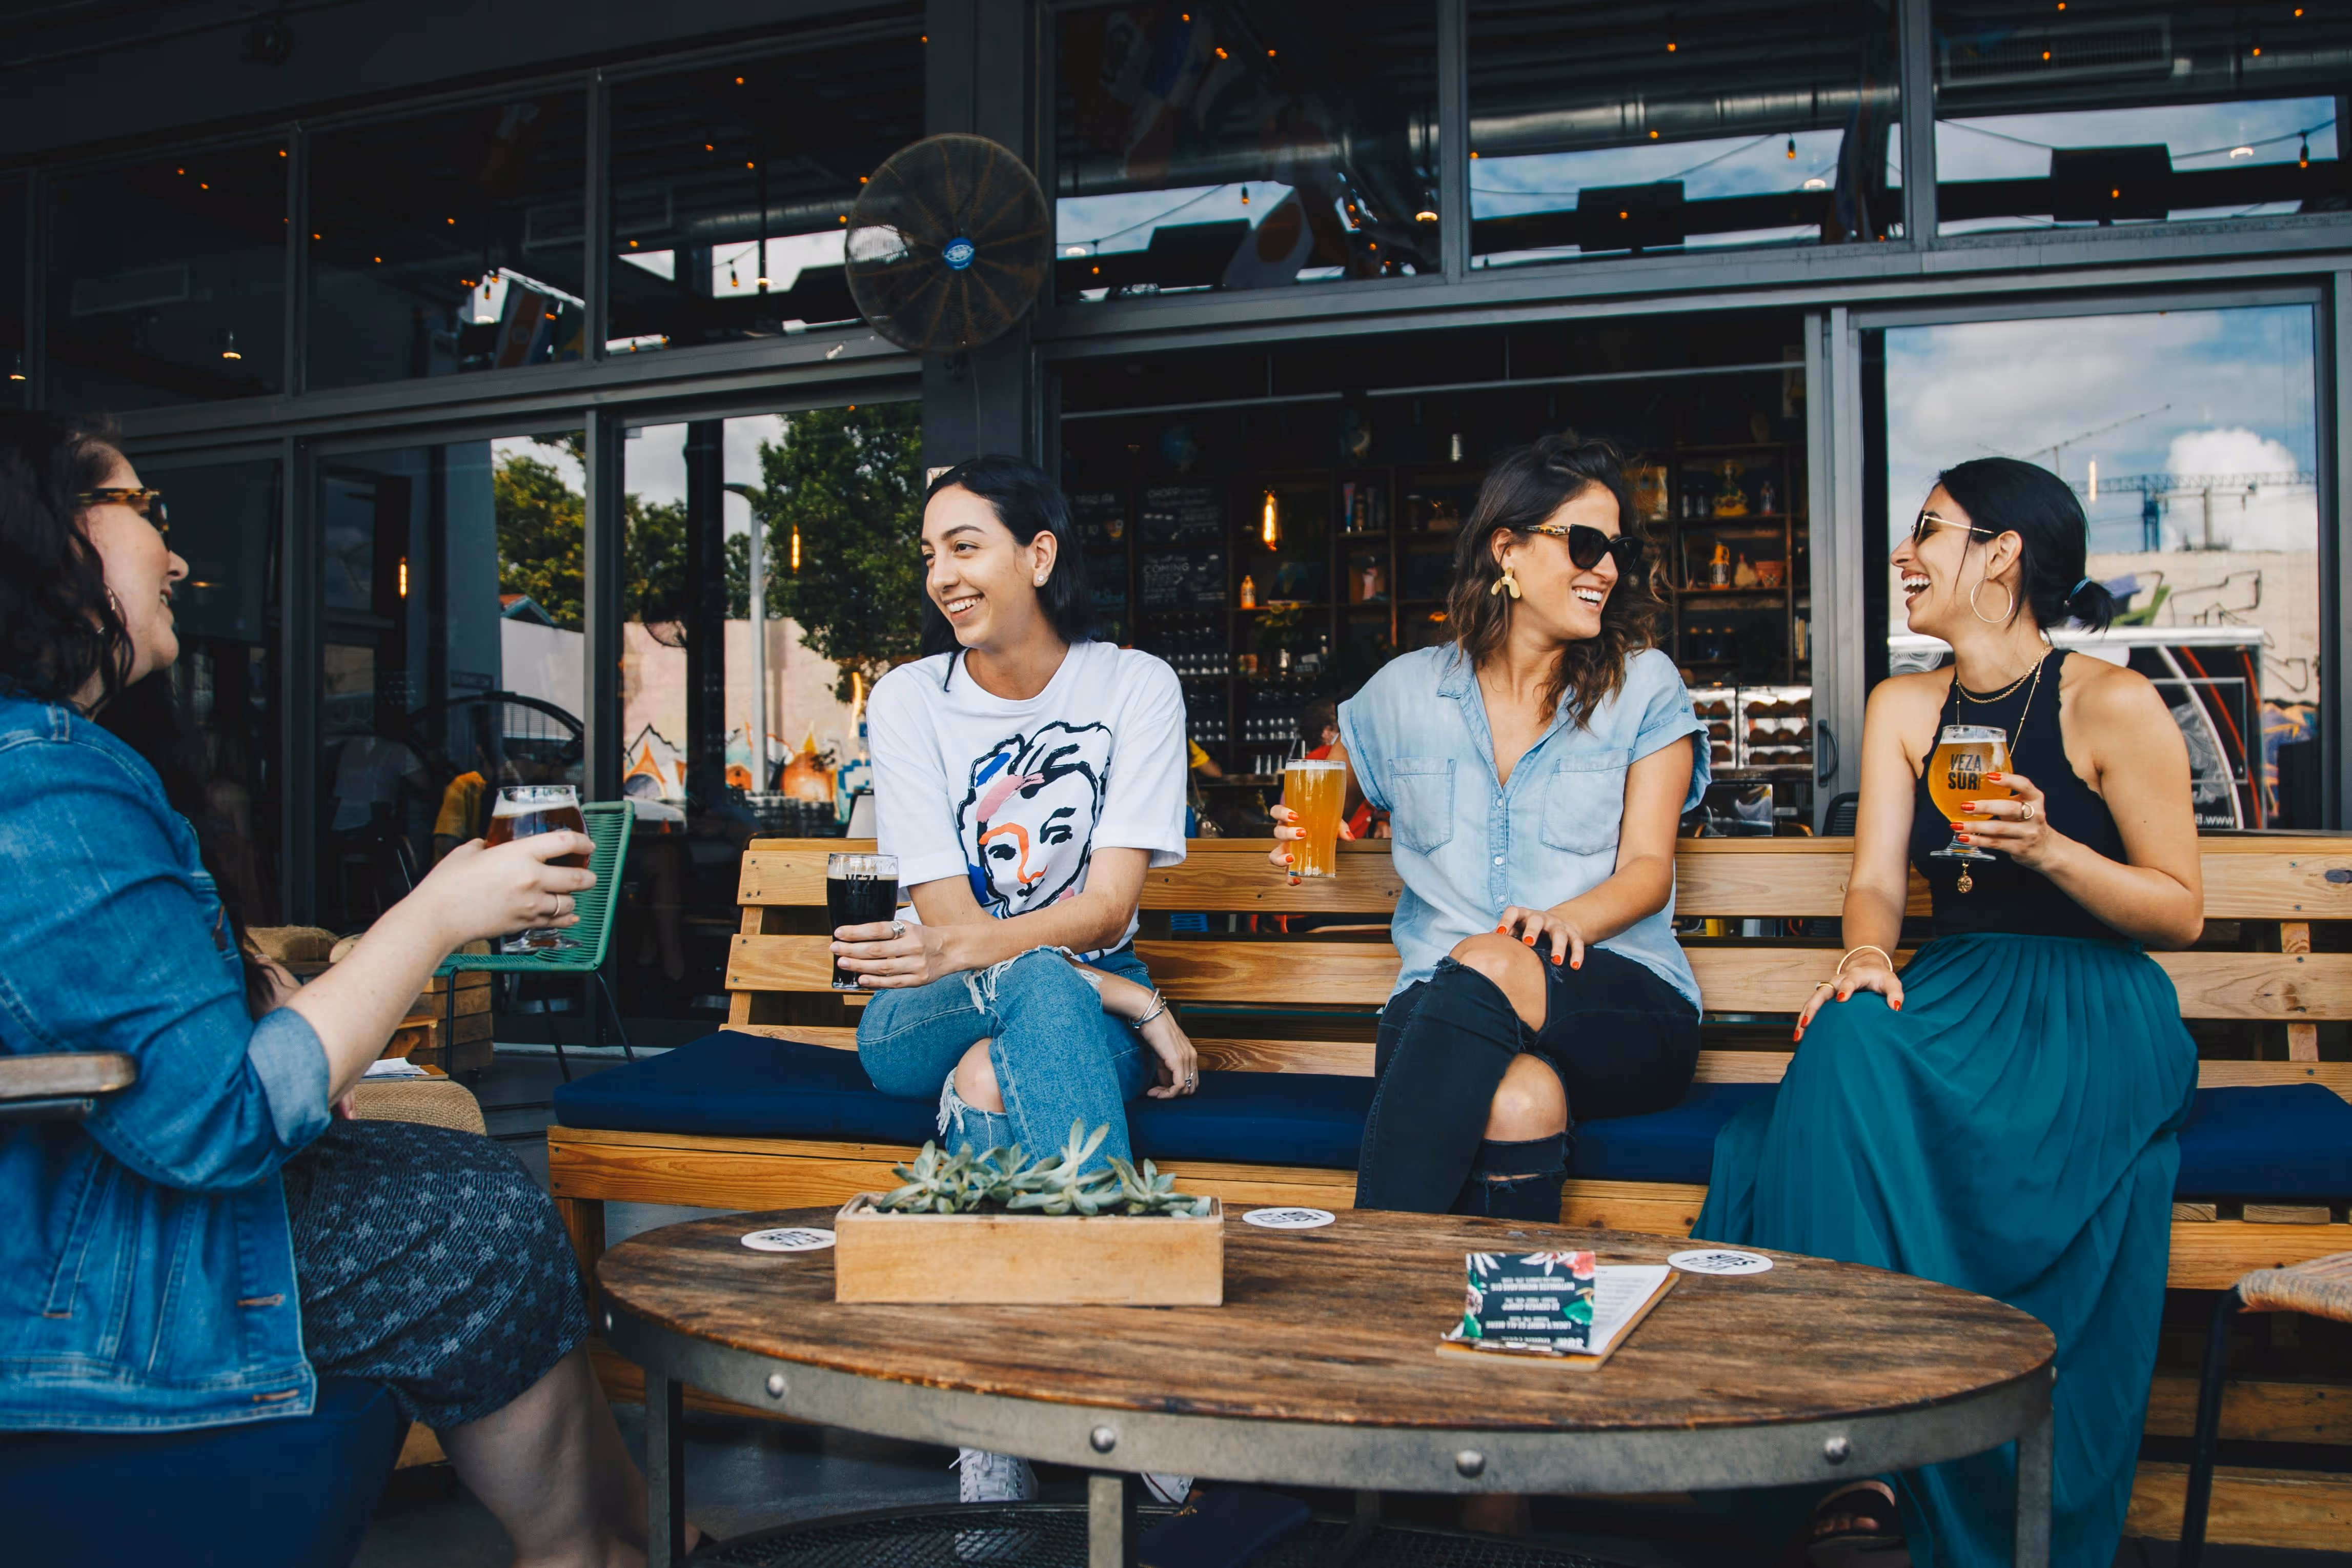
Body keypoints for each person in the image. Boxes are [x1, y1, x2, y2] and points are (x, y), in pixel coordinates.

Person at [0, 413, 696, 1566]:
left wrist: (264, 989)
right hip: (58, 1280)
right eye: (148, 514)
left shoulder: (56, 764)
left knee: (458, 1182)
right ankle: (602, 1544)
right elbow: (215, 1120)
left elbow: (128, 1023)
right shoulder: (40, 783)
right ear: (48, 533)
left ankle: (617, 1536)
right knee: (465, 1213)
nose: (177, 559)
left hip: (78, 1206)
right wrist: (430, 919)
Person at [1698, 458, 2201, 1568]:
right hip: (1953, 980)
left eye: (1927, 529)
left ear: (2000, 555)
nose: (1902, 553)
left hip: (2089, 1005)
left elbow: (2177, 912)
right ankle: (1851, 1463)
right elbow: (1874, 879)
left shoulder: (2108, 702)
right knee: (1842, 1032)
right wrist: (1867, 951)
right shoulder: (1904, 705)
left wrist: (2052, 848)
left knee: (1809, 1106)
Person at [835, 453, 1199, 1513]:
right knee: (1040, 985)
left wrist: (1090, 972)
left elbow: (1103, 905)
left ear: (1036, 554)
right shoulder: (908, 699)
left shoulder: (1132, 685)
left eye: (965, 546)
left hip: (1050, 1001)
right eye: (928, 554)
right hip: (919, 1005)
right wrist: (1127, 996)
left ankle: (994, 1412)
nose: (941, 574)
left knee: (996, 1077)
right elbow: (942, 920)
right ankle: (1126, 1364)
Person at [1274, 431, 1707, 1224]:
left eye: (1617, 549)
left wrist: (1559, 924)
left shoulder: (1644, 686)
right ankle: (1505, 1331)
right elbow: (1325, 781)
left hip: (1615, 999)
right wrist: (1312, 820)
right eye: (1584, 543)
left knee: (1494, 960)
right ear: (1507, 549)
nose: (1606, 567)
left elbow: (1650, 869)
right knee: (1520, 1099)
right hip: (1439, 1011)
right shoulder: (1405, 692)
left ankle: (1371, 1259)